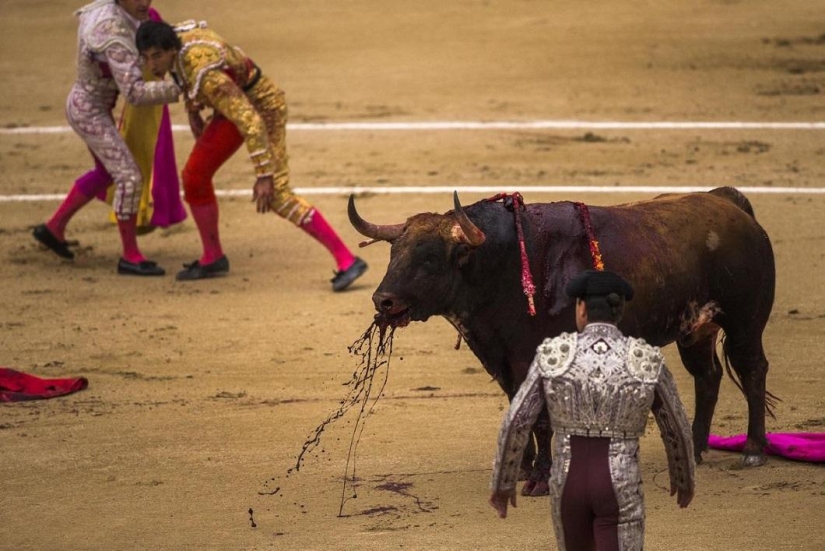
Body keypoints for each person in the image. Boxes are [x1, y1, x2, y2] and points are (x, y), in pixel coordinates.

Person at [135, 20, 368, 290]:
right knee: (194, 177)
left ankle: (347, 260)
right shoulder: (178, 45)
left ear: (171, 50)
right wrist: (192, 107)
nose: (152, 65)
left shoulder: (206, 77)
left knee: (278, 195)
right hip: (234, 106)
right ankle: (213, 257)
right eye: (146, 58)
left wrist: (264, 175)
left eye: (157, 56)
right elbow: (186, 75)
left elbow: (250, 120)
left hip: (262, 108)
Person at [489, 270, 695, 551]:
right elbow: (674, 424)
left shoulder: (555, 354)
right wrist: (683, 477)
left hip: (567, 478)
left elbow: (517, 420)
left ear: (581, 308)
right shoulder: (643, 359)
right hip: (620, 480)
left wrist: (503, 483)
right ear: (619, 311)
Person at [32, 0, 181, 276]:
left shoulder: (105, 10)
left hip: (87, 104)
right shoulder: (112, 32)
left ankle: (54, 227)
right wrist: (177, 89)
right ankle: (130, 256)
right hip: (90, 112)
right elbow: (134, 93)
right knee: (129, 177)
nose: (144, 2)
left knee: (106, 173)